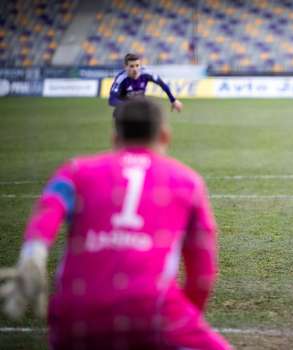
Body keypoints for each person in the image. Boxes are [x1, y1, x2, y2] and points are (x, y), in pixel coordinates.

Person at [0, 99, 230, 349]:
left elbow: (50, 205)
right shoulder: (188, 182)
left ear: (114, 137)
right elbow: (203, 274)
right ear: (164, 135)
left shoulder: (75, 171)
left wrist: (33, 252)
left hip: (75, 314)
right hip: (152, 311)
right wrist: (183, 318)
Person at [109, 53, 183, 113]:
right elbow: (112, 100)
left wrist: (173, 100)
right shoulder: (121, 79)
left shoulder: (146, 74)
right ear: (126, 67)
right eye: (131, 66)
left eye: (137, 66)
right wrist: (127, 106)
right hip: (124, 111)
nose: (135, 69)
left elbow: (162, 84)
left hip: (139, 108)